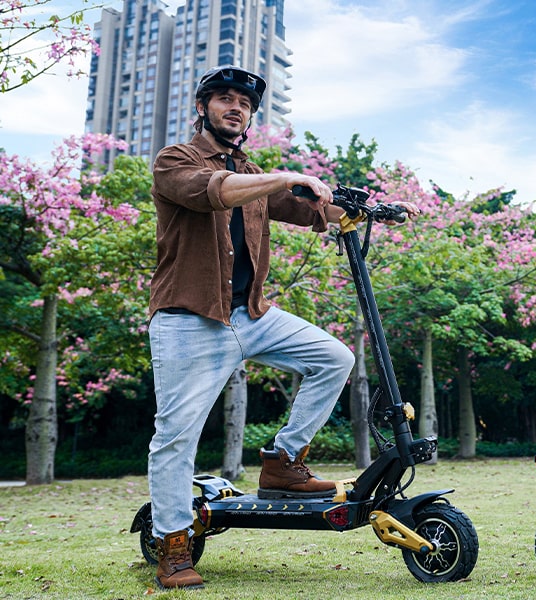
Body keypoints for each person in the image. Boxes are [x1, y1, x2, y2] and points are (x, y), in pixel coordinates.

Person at [146, 65, 419, 590]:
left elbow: (305, 206)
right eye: (224, 99)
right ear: (203, 108)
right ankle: (173, 545)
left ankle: (283, 460)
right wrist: (284, 177)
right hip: (189, 319)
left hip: (251, 314)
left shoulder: (254, 171)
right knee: (174, 438)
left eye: (244, 104)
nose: (236, 108)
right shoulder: (175, 161)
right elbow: (216, 191)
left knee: (334, 358)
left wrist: (372, 210)